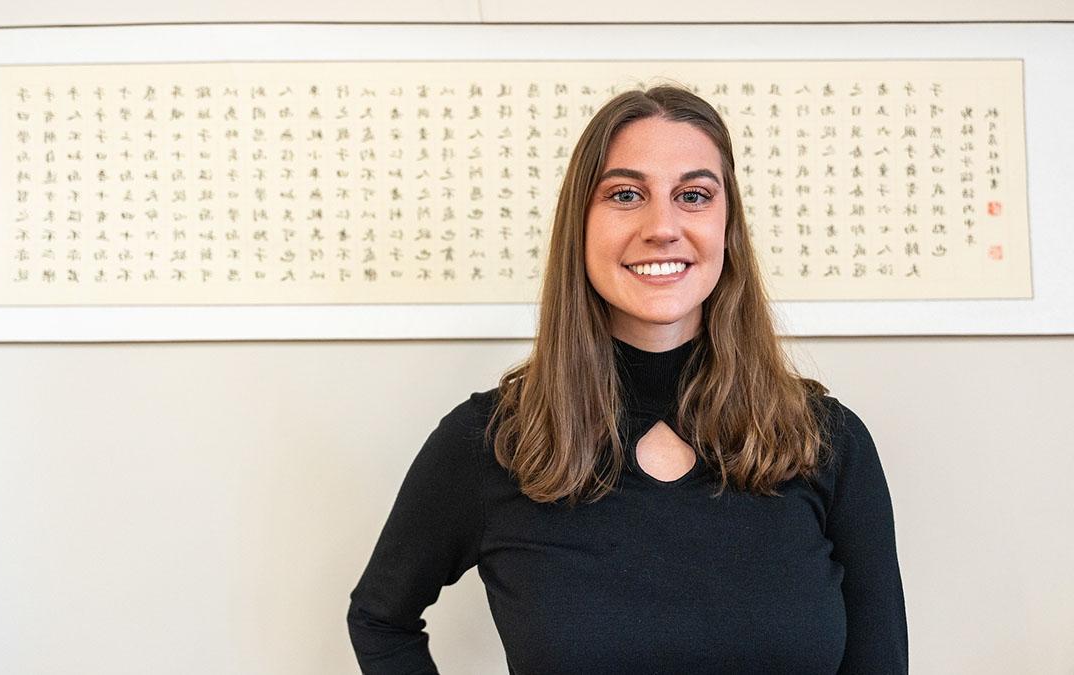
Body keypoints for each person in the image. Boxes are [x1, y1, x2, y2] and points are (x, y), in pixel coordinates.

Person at [347, 84, 908, 673]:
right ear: (580, 225)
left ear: (727, 228)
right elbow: (381, 619)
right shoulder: (495, 441)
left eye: (693, 195)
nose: (662, 226)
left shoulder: (826, 443)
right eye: (625, 194)